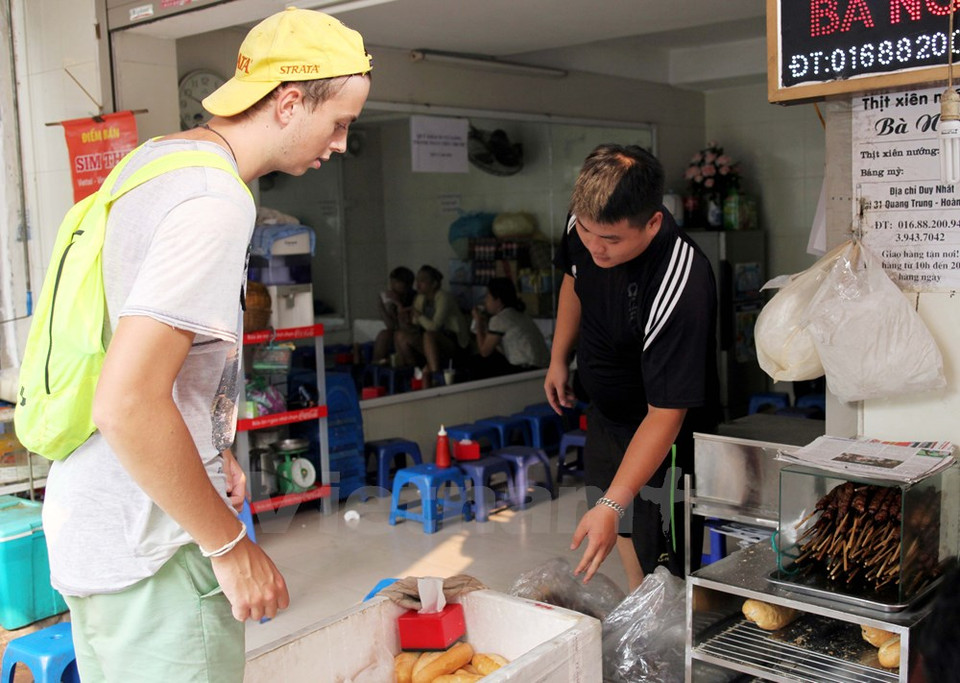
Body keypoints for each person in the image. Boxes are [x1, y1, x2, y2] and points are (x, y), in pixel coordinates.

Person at [40, 9, 371, 681]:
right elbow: (127, 401)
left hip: (100, 523)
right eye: (338, 122)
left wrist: (212, 450)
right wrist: (228, 545)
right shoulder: (214, 200)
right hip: (153, 544)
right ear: (286, 103)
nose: (339, 143)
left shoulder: (154, 162)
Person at [544, 143, 719, 591]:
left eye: (612, 240)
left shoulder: (681, 278)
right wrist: (559, 357)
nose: (595, 248)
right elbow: (573, 279)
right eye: (587, 232)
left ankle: (670, 642)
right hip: (606, 414)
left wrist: (614, 503)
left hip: (664, 427)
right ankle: (645, 631)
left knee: (664, 562)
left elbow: (666, 412)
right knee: (619, 528)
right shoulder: (584, 222)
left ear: (653, 222)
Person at [394, 265, 471, 388]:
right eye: (417, 280)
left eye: (422, 281)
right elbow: (415, 323)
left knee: (429, 335)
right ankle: (413, 374)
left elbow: (434, 327)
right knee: (400, 335)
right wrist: (404, 318)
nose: (418, 284)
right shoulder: (420, 298)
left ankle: (435, 377)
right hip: (428, 341)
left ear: (434, 284)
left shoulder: (444, 297)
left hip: (453, 342)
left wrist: (418, 315)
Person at [470, 277, 550, 378]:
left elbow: (484, 351)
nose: (485, 301)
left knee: (478, 362)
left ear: (498, 300)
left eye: (488, 296)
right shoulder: (520, 315)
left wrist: (478, 322)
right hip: (543, 367)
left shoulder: (499, 319)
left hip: (525, 369)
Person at [373, 266, 416, 364]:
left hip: (413, 336)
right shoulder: (395, 297)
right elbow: (392, 326)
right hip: (398, 333)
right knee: (384, 334)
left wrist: (398, 304)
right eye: (392, 282)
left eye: (396, 282)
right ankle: (376, 365)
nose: (392, 285)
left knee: (398, 335)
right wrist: (382, 307)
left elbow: (405, 326)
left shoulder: (415, 298)